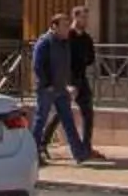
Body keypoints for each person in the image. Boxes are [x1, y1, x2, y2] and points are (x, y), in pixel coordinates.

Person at [29, 11, 93, 165]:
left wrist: (68, 84)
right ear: (54, 26)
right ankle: (32, 153)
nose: (67, 29)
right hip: (47, 89)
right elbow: (38, 66)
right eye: (64, 26)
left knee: (68, 121)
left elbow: (67, 65)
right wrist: (47, 84)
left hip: (61, 88)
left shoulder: (64, 43)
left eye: (67, 25)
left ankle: (79, 153)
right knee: (40, 121)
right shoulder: (45, 42)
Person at [66, 3, 100, 150]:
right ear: (76, 17)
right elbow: (64, 59)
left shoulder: (86, 38)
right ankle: (43, 143)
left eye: (87, 18)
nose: (86, 21)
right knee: (61, 112)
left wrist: (84, 59)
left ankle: (86, 146)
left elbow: (91, 58)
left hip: (82, 79)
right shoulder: (68, 36)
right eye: (83, 18)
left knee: (88, 112)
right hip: (69, 79)